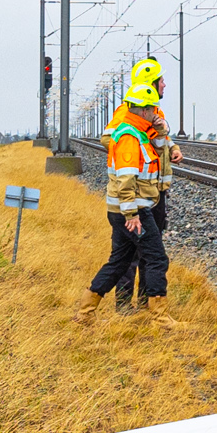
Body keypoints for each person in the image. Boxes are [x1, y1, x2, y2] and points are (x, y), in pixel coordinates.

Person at [88, 56, 176, 307]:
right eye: (162, 80)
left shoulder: (153, 115)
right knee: (143, 256)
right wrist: (131, 213)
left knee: (130, 256)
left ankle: (139, 305)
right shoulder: (129, 124)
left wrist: (169, 142)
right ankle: (130, 306)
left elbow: (160, 145)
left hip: (151, 195)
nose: (165, 85)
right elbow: (112, 143)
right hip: (134, 202)